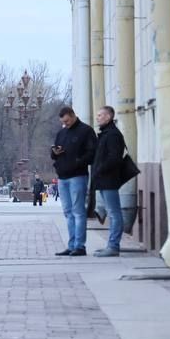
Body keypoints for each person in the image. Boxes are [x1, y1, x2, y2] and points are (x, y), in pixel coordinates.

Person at [51, 105, 97, 256]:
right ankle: (71, 245)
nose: (66, 124)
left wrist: (77, 162)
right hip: (62, 177)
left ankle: (80, 246)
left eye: (67, 121)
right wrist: (55, 153)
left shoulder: (86, 131)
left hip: (78, 175)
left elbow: (92, 153)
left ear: (73, 115)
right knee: (68, 212)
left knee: (78, 211)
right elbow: (54, 154)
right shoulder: (62, 133)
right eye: (63, 122)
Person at [92, 105, 136, 257]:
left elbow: (114, 158)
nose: (97, 117)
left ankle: (113, 246)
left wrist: (99, 169)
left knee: (114, 213)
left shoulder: (113, 135)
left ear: (108, 117)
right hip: (104, 179)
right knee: (112, 213)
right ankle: (111, 245)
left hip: (109, 179)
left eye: (100, 115)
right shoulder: (106, 133)